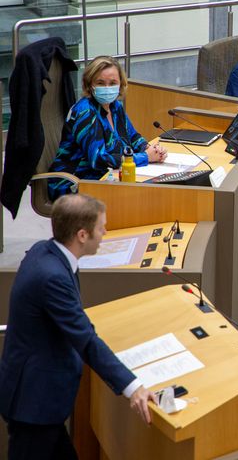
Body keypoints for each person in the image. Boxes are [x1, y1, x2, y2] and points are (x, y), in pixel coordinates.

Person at [0, 194, 156, 459]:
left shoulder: (47, 251)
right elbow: (85, 340)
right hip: (34, 403)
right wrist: (133, 387)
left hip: (41, 399)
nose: (105, 232)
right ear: (82, 235)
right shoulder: (52, 276)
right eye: (101, 227)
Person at [48, 56, 167, 200]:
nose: (107, 88)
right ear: (89, 85)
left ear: (120, 84)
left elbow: (133, 137)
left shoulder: (115, 107)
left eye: (112, 83)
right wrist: (146, 157)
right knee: (145, 198)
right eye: (100, 83)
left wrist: (151, 149)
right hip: (75, 185)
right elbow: (98, 160)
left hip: (106, 178)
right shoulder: (85, 112)